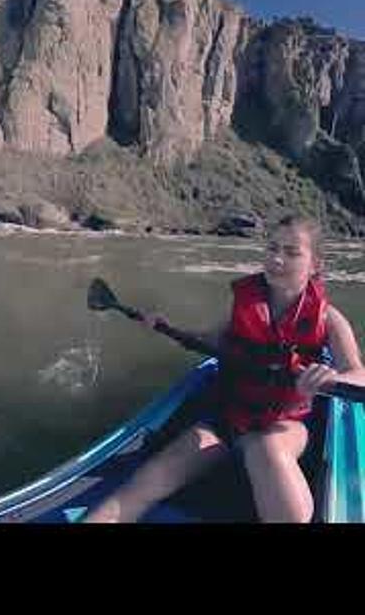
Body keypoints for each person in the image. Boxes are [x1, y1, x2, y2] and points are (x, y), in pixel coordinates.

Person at [84, 214, 365, 523]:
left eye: (291, 252)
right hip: (228, 420)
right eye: (272, 248)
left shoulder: (329, 320)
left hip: (284, 423)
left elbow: (358, 374)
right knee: (147, 482)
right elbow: (207, 340)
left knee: (266, 447)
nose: (276, 258)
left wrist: (332, 377)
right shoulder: (246, 306)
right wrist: (167, 326)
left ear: (315, 264)